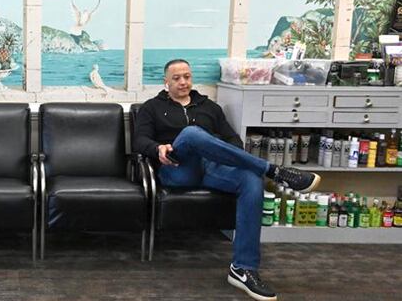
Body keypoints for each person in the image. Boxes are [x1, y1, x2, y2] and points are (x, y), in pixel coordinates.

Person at [132, 59, 320, 301]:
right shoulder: (152, 108)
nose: (183, 82)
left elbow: (233, 141)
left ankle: (243, 268)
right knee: (191, 134)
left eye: (187, 76)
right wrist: (157, 148)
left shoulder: (210, 107)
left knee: (251, 179)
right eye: (176, 78)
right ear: (166, 82)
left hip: (213, 168)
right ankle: (274, 171)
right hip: (177, 169)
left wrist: (220, 152)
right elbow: (139, 141)